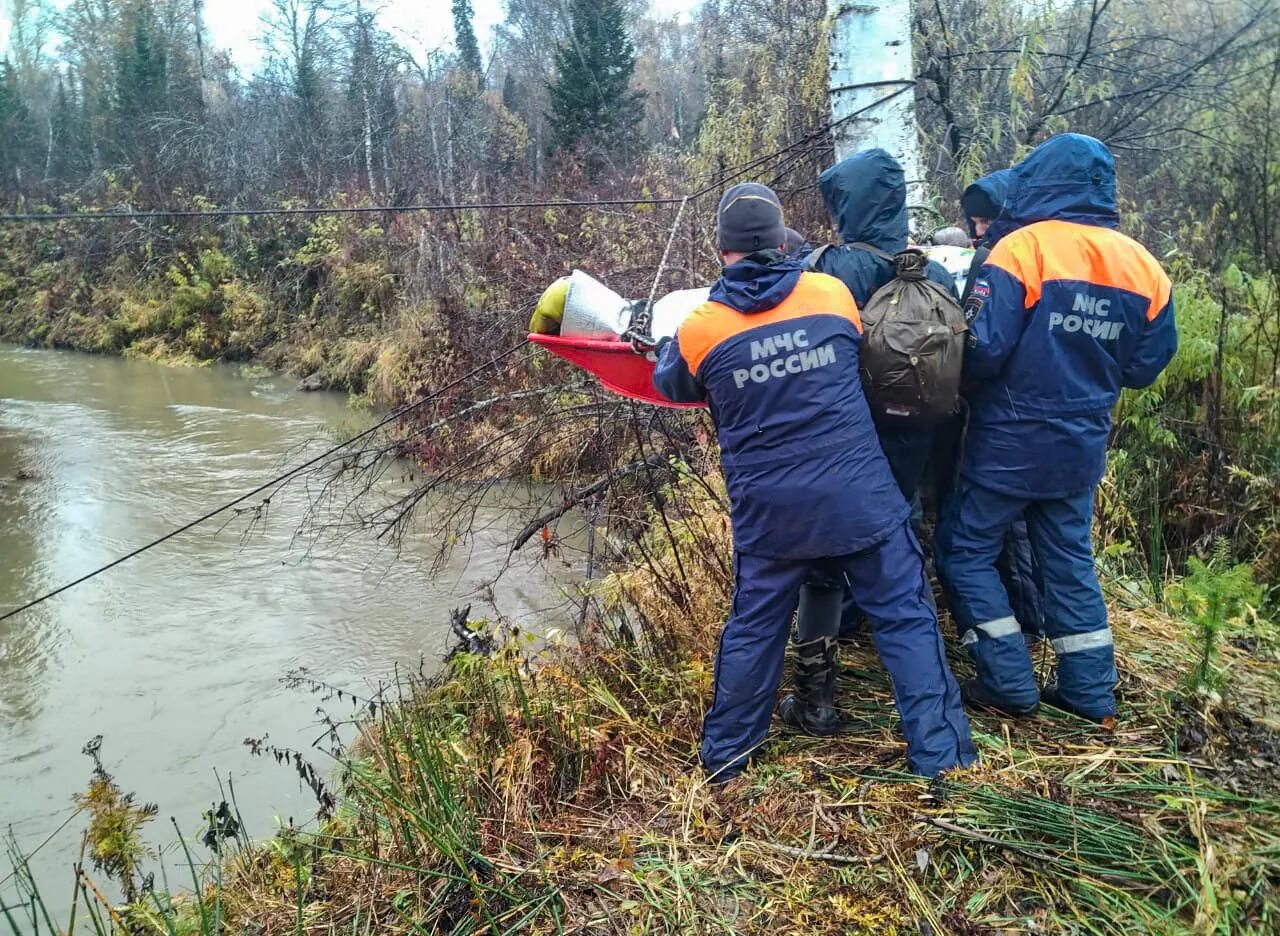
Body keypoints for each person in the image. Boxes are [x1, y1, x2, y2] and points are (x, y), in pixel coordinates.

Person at [652, 181, 976, 780]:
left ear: (722, 250)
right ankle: (945, 759)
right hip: (861, 497)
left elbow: (672, 384)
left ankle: (727, 761)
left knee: (754, 630)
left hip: (773, 515)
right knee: (905, 616)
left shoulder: (701, 329)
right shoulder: (830, 295)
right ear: (780, 240)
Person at [936, 134, 1178, 723]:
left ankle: (1009, 680)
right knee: (1068, 560)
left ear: (1039, 181)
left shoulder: (1020, 250)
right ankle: (1090, 693)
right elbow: (1147, 366)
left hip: (1009, 442)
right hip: (1081, 442)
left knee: (964, 550)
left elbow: (984, 350)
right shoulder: (1143, 265)